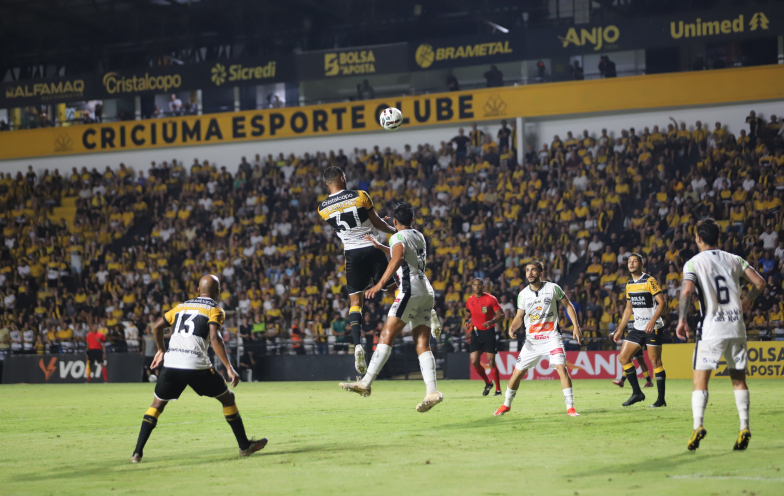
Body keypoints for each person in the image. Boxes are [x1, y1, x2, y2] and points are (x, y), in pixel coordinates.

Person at [130, 275, 266, 463]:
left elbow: (157, 326)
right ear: (218, 292)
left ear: (198, 290)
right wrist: (229, 367)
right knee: (228, 398)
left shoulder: (181, 306)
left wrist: (161, 349)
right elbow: (215, 338)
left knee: (157, 405)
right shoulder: (215, 309)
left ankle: (137, 453)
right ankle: (244, 446)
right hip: (196, 366)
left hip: (172, 364)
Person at [339, 203, 443, 413]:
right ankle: (432, 391)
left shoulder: (396, 237)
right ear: (412, 220)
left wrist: (379, 284)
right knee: (422, 343)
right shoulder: (419, 236)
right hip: (426, 291)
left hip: (409, 290)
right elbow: (405, 254)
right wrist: (380, 247)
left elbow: (398, 258)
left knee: (387, 334)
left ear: (394, 222)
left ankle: (366, 383)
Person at [676, 219, 766, 451]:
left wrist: (682, 320)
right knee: (738, 379)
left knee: (700, 381)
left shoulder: (693, 263)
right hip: (736, 327)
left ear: (698, 238)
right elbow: (760, 282)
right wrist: (747, 300)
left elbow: (686, 291)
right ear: (718, 237)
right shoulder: (734, 259)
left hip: (712, 328)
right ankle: (744, 426)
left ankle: (698, 425)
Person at [318, 167, 398, 373]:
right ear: (343, 178)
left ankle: (358, 345)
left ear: (327, 184)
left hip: (352, 255)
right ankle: (416, 318)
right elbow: (377, 224)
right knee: (394, 291)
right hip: (373, 248)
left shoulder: (322, 209)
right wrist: (396, 231)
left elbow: (349, 226)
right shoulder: (360, 196)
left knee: (355, 302)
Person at [494, 260, 582, 417]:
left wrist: (576, 326)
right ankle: (506, 404)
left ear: (541, 273)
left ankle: (570, 407)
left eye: (533, 270)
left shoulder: (553, 288)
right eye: (527, 270)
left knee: (561, 368)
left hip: (551, 337)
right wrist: (512, 327)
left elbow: (568, 305)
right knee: (517, 374)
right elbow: (519, 316)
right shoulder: (523, 295)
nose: (530, 273)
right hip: (532, 341)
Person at [612, 253, 667, 408]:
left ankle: (661, 400)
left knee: (655, 361)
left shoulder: (649, 281)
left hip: (653, 327)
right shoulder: (629, 284)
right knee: (623, 358)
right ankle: (637, 393)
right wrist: (620, 329)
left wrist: (653, 320)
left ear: (642, 264)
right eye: (629, 261)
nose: (631, 263)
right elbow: (628, 309)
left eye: (635, 261)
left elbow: (662, 303)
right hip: (637, 327)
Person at [465, 278, 503, 396]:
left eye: (479, 285)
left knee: (491, 361)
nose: (477, 287)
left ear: (483, 286)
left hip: (488, 332)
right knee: (474, 361)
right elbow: (468, 313)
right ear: (472, 287)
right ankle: (488, 382)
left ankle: (498, 390)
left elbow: (501, 315)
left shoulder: (491, 299)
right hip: (476, 333)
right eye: (474, 285)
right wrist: (467, 321)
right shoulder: (469, 300)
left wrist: (491, 322)